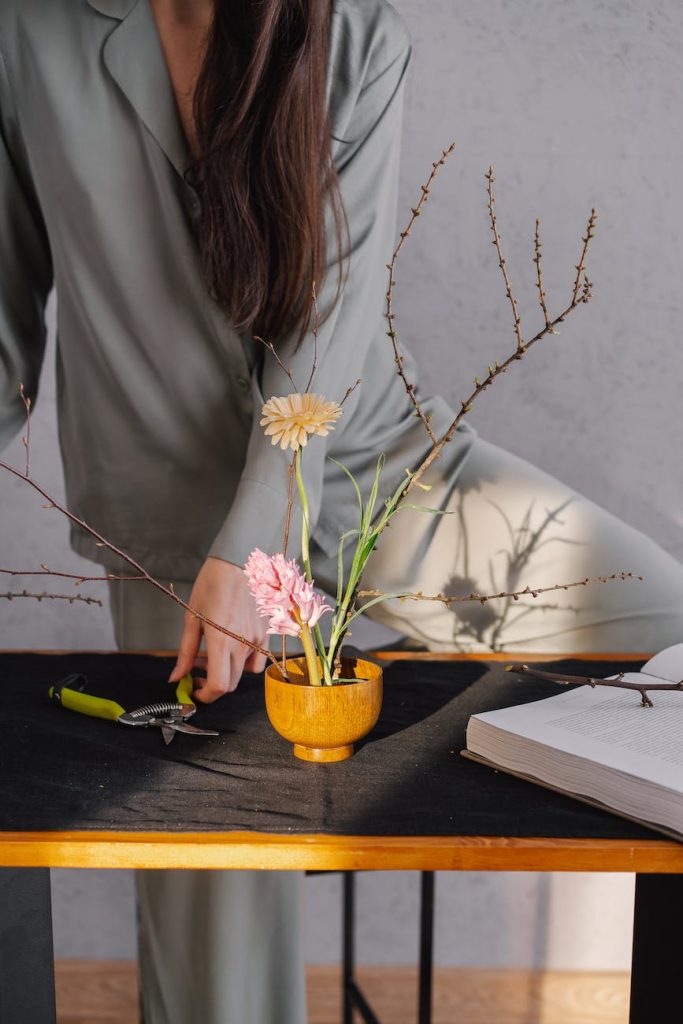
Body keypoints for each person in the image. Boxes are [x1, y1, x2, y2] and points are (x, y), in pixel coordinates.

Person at [2, 1, 683, 1021]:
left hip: (379, 470)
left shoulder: (355, 33)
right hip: (174, 541)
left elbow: (329, 321)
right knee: (217, 965)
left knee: (668, 641)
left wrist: (258, 541)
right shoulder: (23, 31)